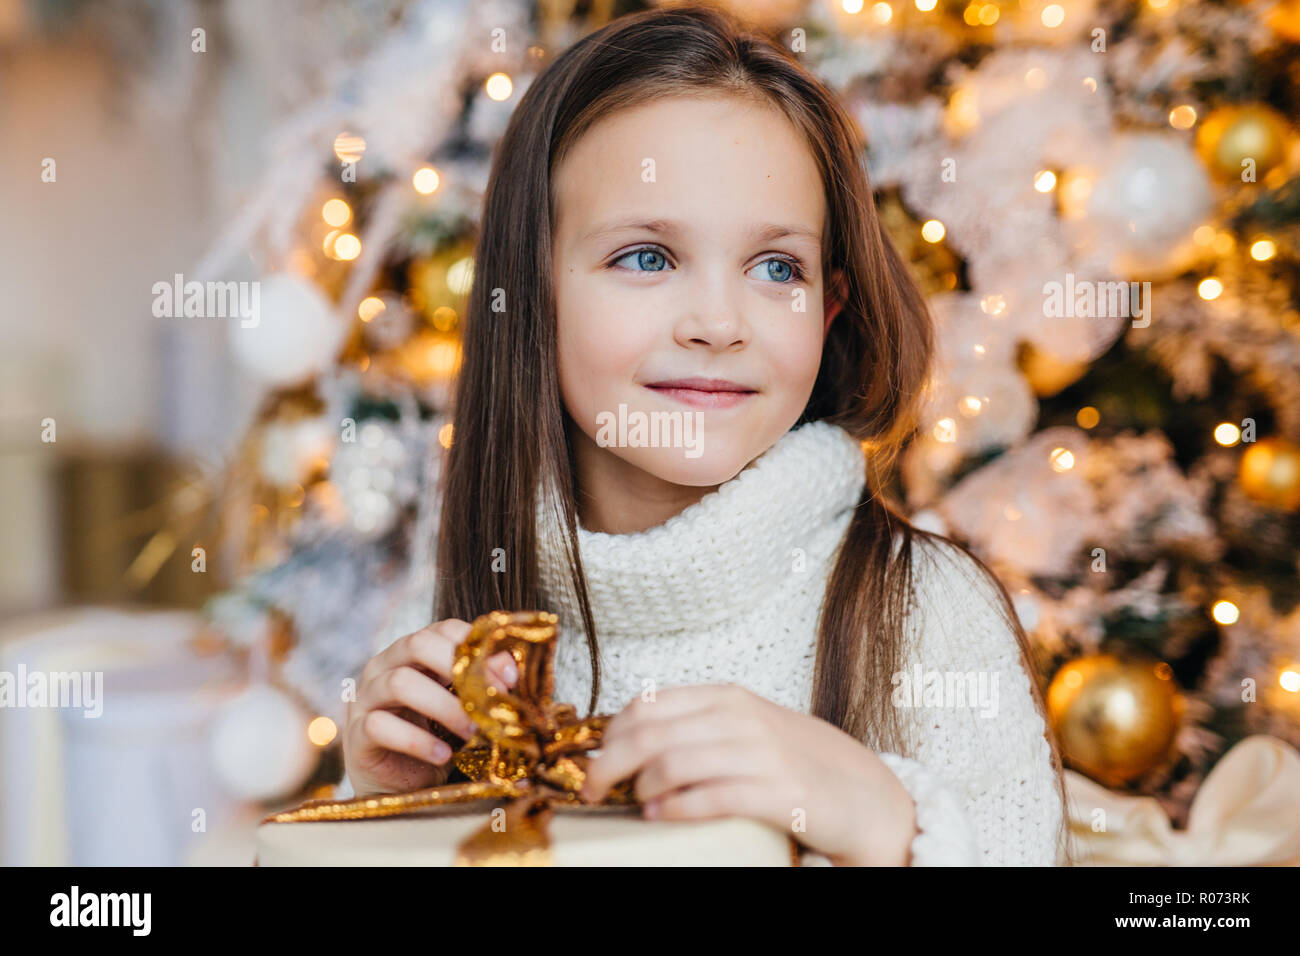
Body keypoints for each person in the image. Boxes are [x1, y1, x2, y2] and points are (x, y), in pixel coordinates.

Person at [342, 3, 1070, 866]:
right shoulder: (449, 613)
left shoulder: (928, 614)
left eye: (775, 267)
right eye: (647, 256)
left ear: (828, 308)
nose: (719, 324)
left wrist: (890, 826)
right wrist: (383, 816)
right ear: (530, 294)